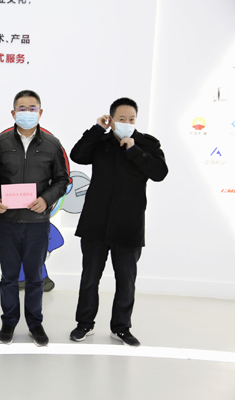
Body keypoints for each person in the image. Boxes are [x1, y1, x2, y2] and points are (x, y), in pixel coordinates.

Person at [69, 98, 168, 347]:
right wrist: (97, 129)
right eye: (121, 119)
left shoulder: (148, 144)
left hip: (128, 225)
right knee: (90, 278)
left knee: (126, 281)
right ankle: (84, 324)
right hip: (95, 223)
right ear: (111, 119)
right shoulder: (100, 142)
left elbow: (159, 173)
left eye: (131, 119)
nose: (127, 123)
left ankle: (121, 328)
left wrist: (134, 150)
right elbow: (77, 155)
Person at [0, 90, 69, 346]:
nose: (27, 112)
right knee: (9, 278)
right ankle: (8, 322)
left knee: (35, 278)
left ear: (40, 112)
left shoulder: (52, 144)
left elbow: (62, 179)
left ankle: (35, 324)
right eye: (21, 108)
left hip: (37, 224)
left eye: (32, 108)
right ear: (13, 113)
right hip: (8, 223)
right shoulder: (0, 143)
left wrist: (46, 199)